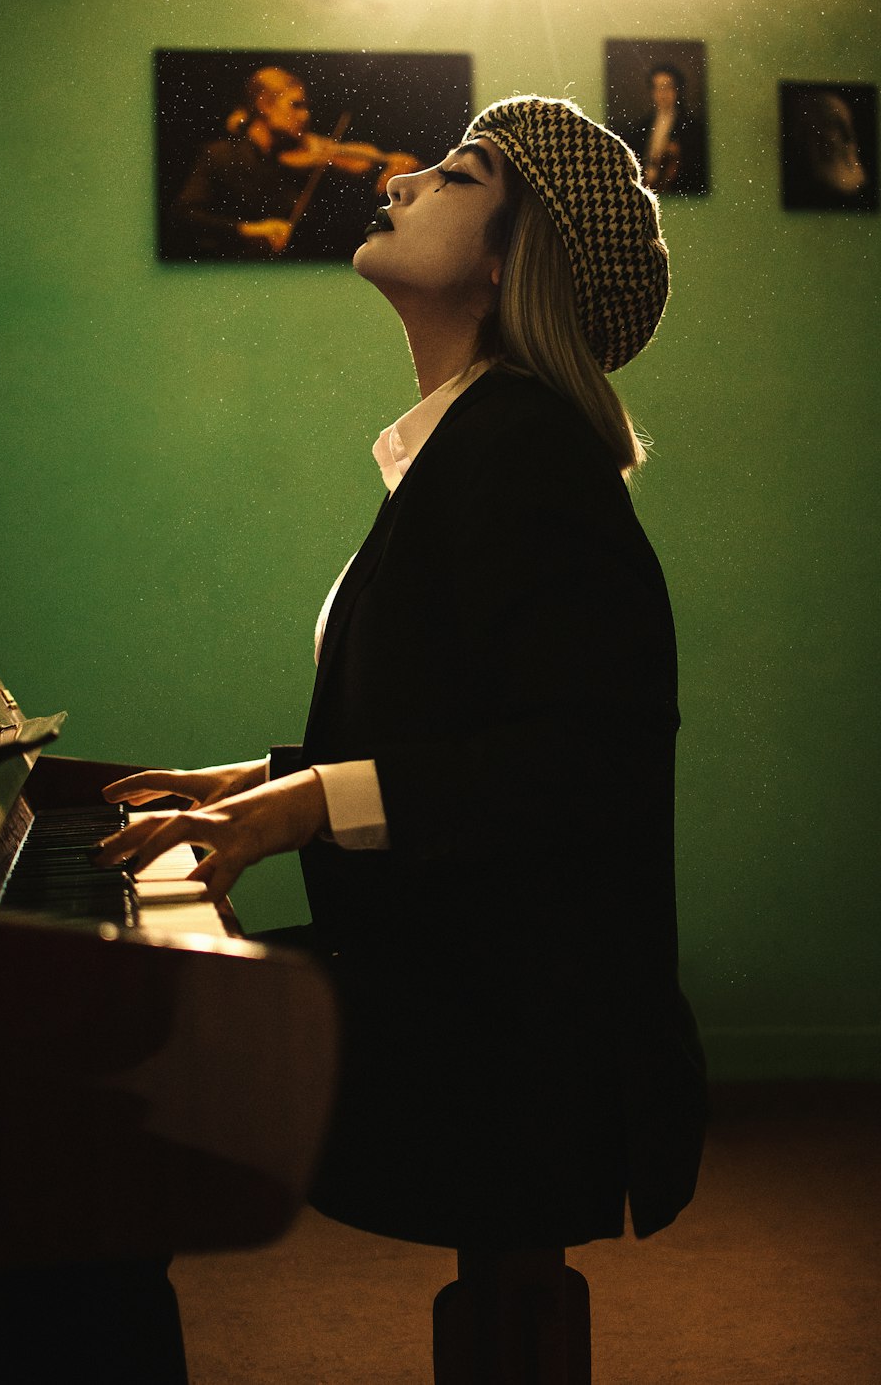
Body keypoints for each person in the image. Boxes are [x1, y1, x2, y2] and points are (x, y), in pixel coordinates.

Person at [99, 96, 707, 1382]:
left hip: (509, 1030)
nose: (402, 176)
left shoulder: (522, 450)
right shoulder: (474, 449)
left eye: (458, 172)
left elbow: (577, 764)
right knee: (103, 1069)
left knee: (96, 1081)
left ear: (507, 259)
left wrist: (308, 808)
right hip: (461, 978)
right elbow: (458, 728)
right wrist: (263, 782)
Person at [171, 64, 420, 258]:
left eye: (306, 107)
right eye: (295, 105)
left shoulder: (309, 157)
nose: (305, 115)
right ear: (264, 105)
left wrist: (387, 164)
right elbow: (186, 214)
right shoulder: (220, 155)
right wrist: (250, 230)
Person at [626, 63, 707, 196]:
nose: (662, 93)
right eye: (658, 87)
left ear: (677, 90)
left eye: (668, 87)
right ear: (652, 92)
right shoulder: (642, 126)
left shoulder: (692, 126)